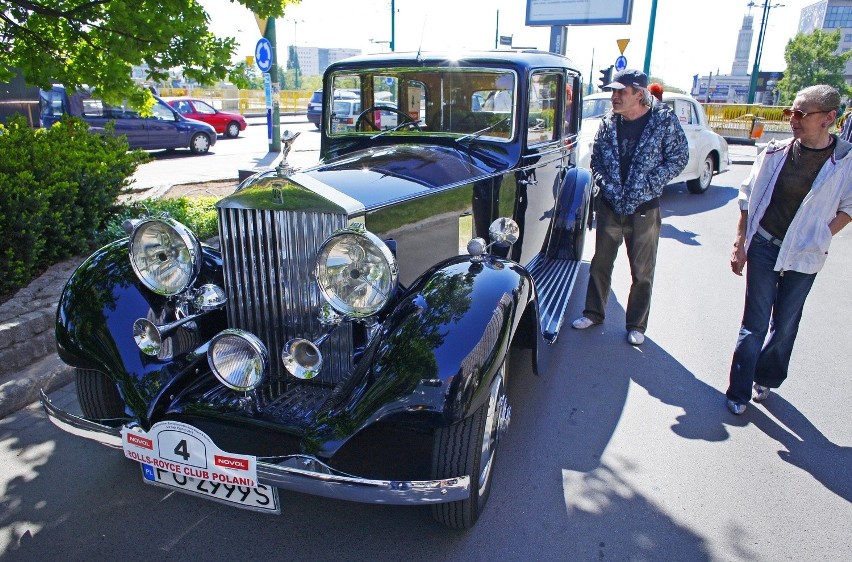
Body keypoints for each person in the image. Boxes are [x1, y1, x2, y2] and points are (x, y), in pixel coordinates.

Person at [725, 84, 852, 415]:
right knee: (754, 323)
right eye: (790, 112)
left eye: (801, 113)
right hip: (765, 245)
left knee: (784, 325)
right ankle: (737, 392)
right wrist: (741, 240)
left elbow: (849, 207)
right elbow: (747, 195)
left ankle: (765, 376)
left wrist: (822, 235)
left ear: (828, 118)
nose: (793, 119)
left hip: (805, 254)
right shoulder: (774, 152)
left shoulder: (846, 160)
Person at [572, 69, 689, 345]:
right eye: (613, 91)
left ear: (639, 94)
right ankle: (593, 312)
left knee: (642, 271)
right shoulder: (609, 122)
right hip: (611, 205)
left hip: (644, 209)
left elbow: (679, 157)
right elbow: (597, 159)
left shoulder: (663, 121)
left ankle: (636, 324)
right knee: (600, 263)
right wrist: (604, 183)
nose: (614, 97)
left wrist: (650, 183)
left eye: (620, 92)